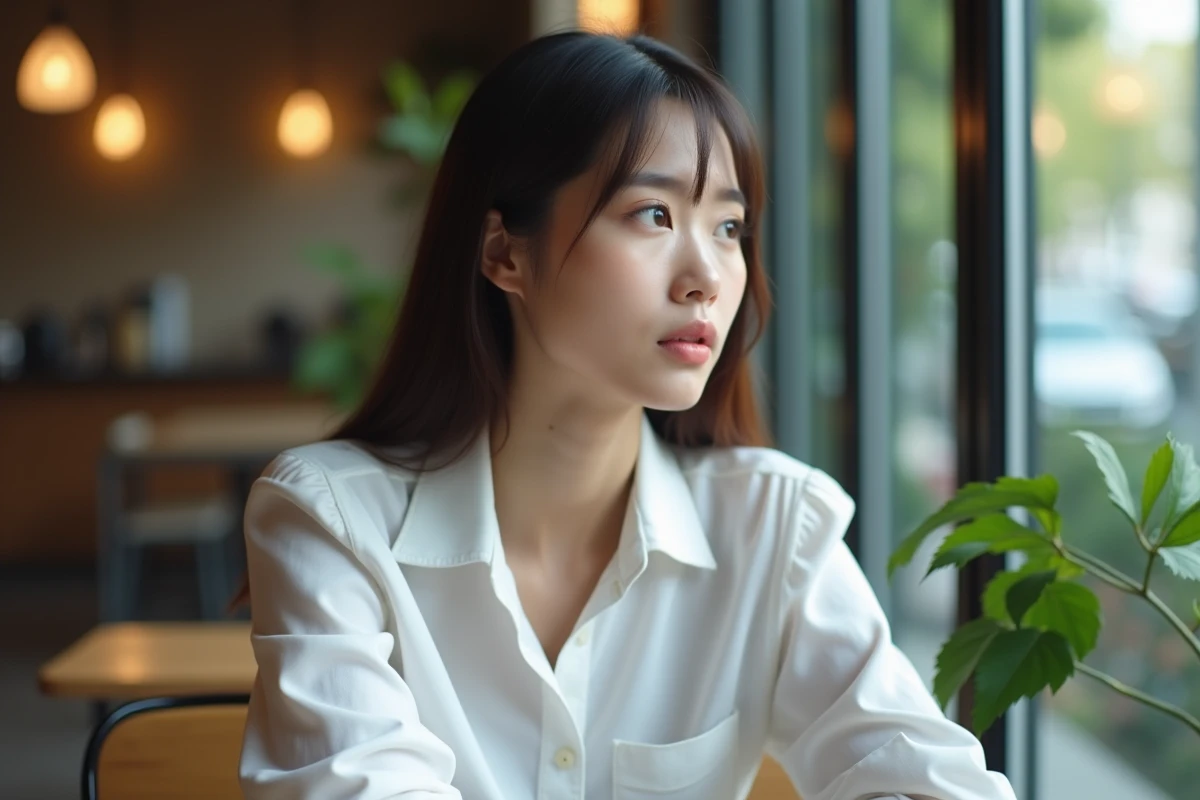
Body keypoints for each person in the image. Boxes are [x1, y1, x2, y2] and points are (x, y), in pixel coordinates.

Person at [238, 30, 1017, 800]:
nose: (706, 276)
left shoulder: (771, 527)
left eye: (729, 227)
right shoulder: (332, 521)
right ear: (505, 253)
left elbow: (927, 781)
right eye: (652, 214)